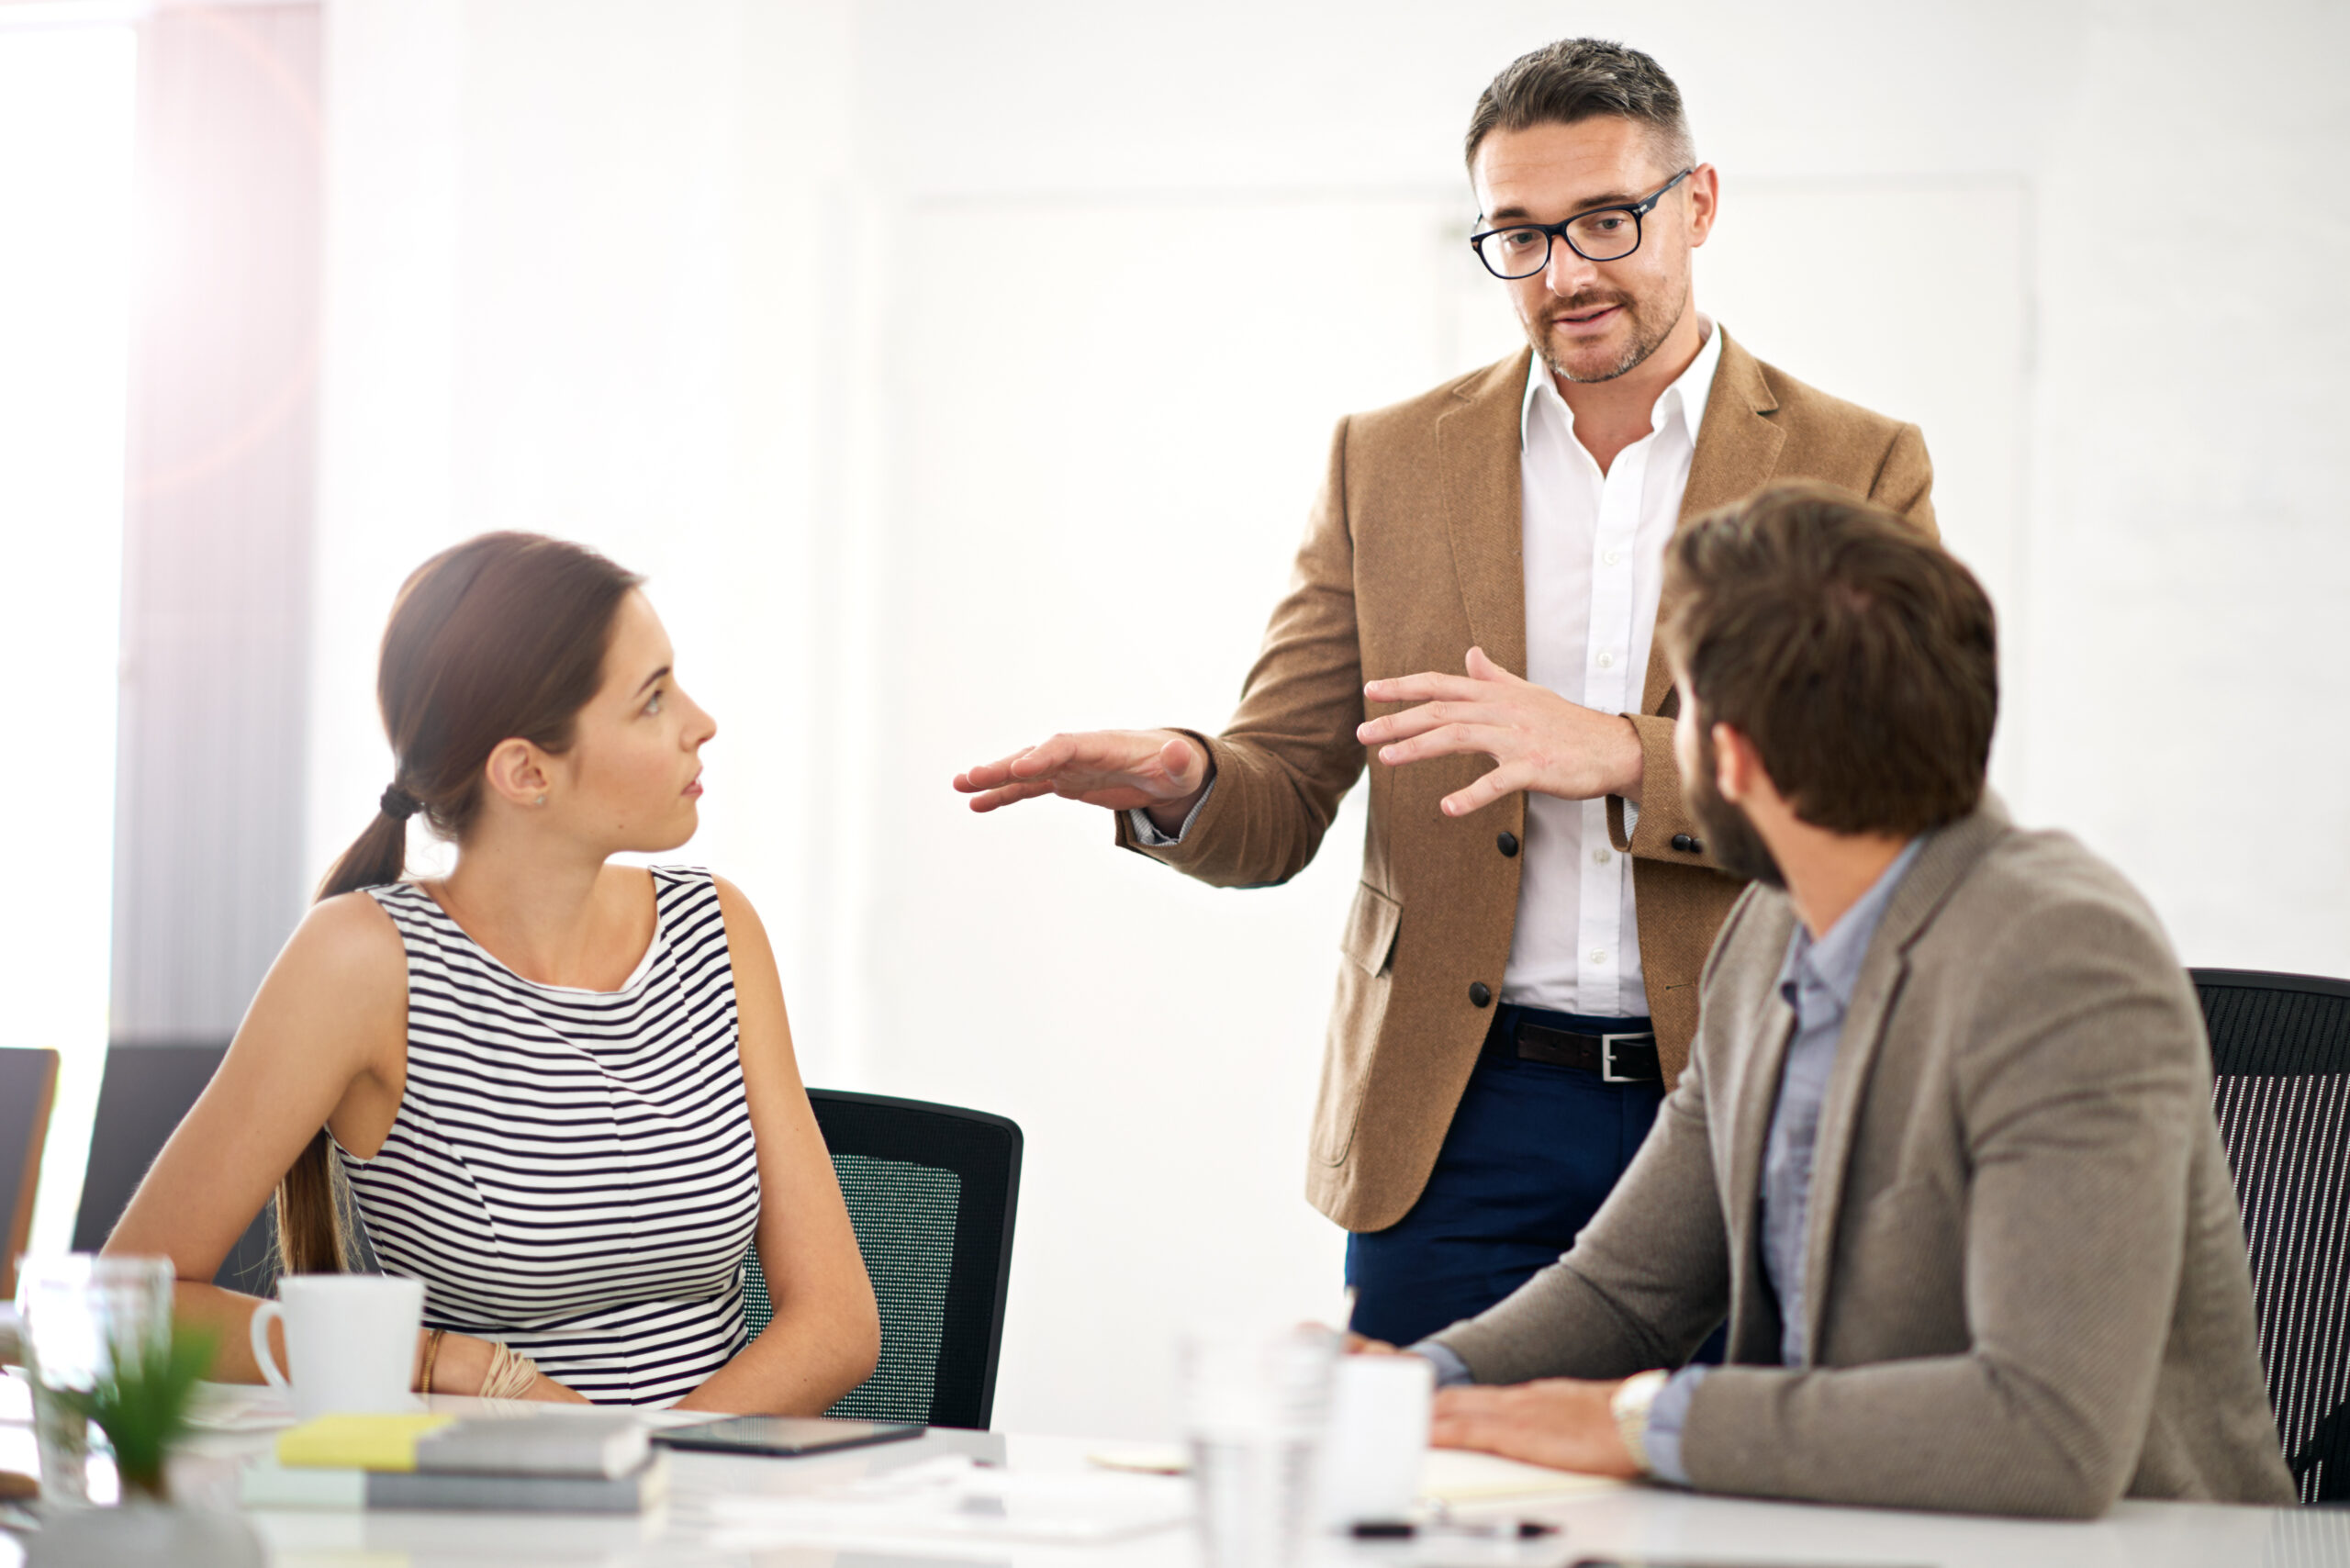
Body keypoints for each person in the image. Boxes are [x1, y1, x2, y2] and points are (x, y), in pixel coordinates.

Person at [952, 39, 1937, 1346]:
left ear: (1697, 205)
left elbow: (1897, 797)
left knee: (1717, 1469)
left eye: (1607, 219)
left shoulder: (1855, 464)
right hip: (1459, 1122)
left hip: (1746, 1093)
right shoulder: (1388, 462)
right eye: (1518, 235)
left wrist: (1624, 755)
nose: (1565, 273)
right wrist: (1187, 782)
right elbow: (1280, 798)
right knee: (1422, 1471)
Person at [1395, 483, 2295, 1516]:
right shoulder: (1769, 929)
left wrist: (1639, 1422)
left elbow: (2047, 1432)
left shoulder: (2065, 962)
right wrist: (1422, 1387)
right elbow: (1628, 1293)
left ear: (1732, 758)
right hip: (1866, 1527)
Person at [106, 532, 880, 1411]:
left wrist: (642, 1464)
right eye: (653, 701)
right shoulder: (363, 964)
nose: (701, 723)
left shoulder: (718, 930)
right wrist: (442, 1362)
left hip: (705, 1488)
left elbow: (837, 1323)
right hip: (480, 1492)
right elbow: (134, 1304)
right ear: (525, 771)